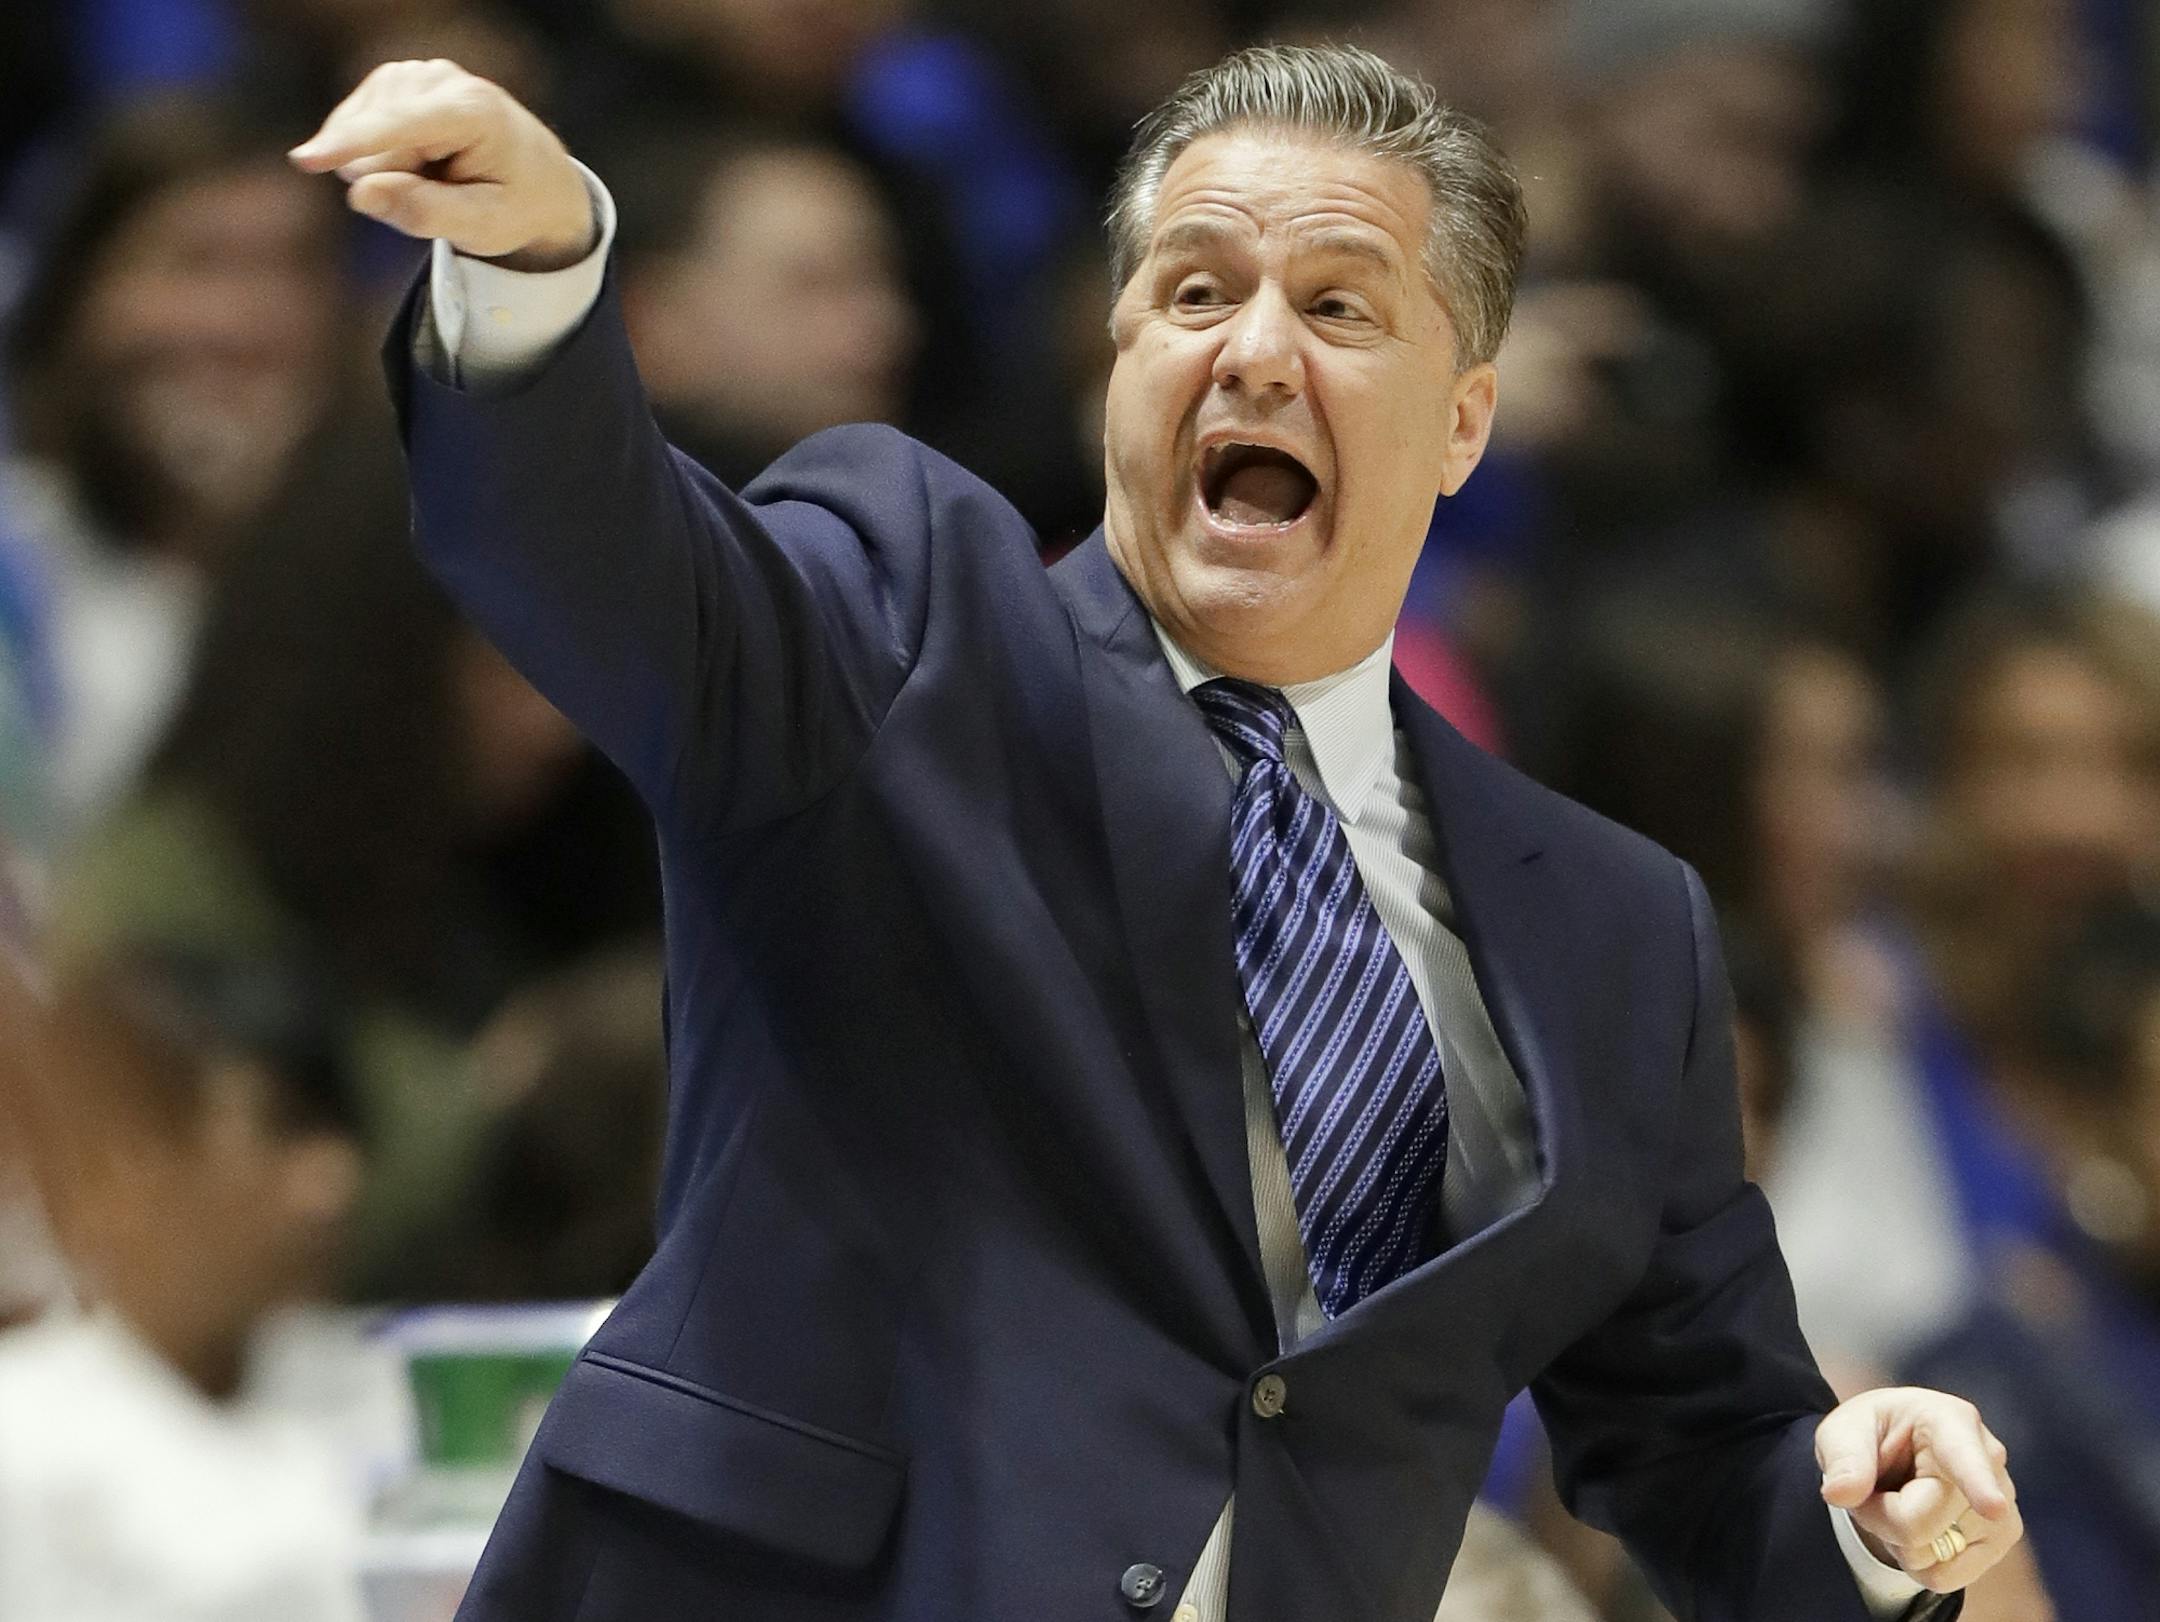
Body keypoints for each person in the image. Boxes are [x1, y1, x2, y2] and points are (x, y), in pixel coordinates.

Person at [291, 44, 2024, 1621]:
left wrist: (1875, 1510)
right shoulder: (901, 623)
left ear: (1467, 422)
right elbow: (606, 569)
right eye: (1194, 290)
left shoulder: (1619, 931)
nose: (1253, 348)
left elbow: (1712, 1442)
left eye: (1341, 307)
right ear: (1117, 363)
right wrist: (533, 275)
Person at [0, 945, 369, 1621]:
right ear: (127, 1152)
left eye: (338, 1131)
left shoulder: (373, 1397)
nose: (332, 1182)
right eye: (280, 1128)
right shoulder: (19, 1442)